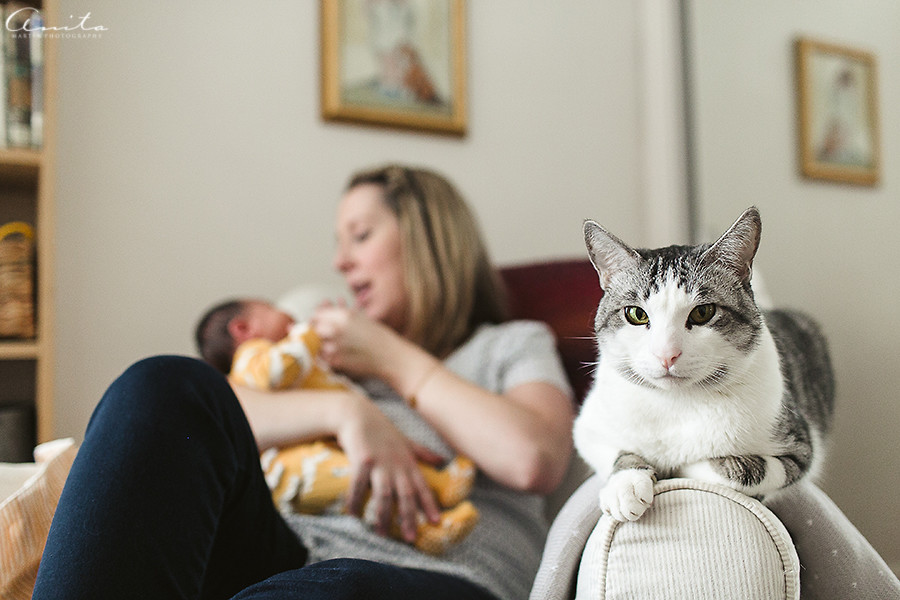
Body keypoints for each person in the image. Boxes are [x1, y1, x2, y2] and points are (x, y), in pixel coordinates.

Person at [33, 164, 575, 600]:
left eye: (360, 236)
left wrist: (393, 359)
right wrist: (346, 414)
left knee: (334, 587)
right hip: (284, 550)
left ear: (429, 238)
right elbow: (219, 415)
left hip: (445, 578)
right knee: (162, 383)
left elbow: (533, 458)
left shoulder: (510, 344)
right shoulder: (322, 359)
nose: (341, 262)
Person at [194, 298, 482, 556]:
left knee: (381, 467)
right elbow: (277, 370)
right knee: (360, 480)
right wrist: (306, 334)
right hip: (301, 472)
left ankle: (441, 485)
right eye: (279, 312)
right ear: (243, 329)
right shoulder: (252, 356)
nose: (291, 318)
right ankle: (425, 530)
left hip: (320, 461)